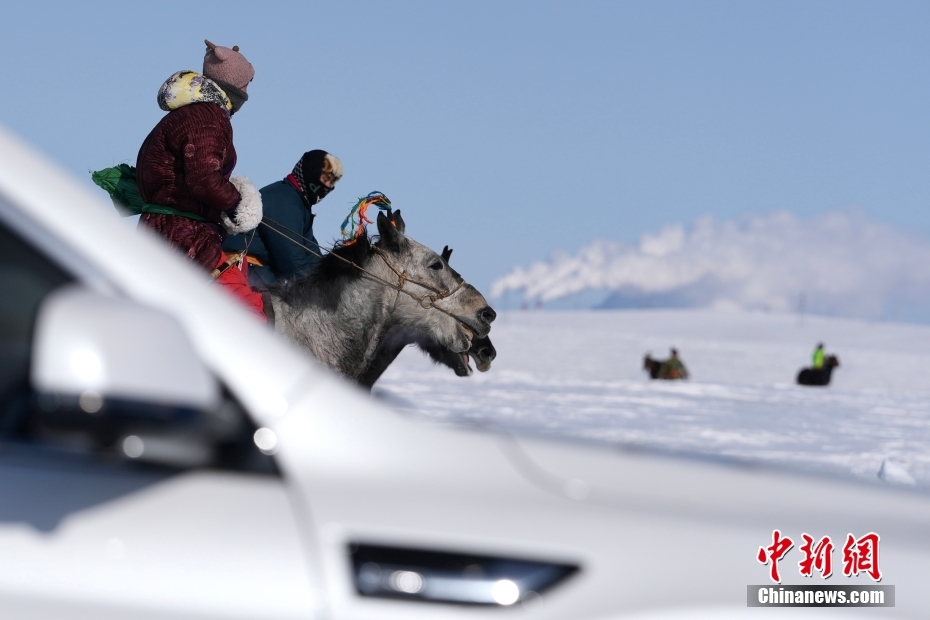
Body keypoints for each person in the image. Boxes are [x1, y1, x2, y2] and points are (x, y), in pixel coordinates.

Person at [135, 40, 265, 319]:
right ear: (232, 85)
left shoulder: (193, 113)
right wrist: (239, 205)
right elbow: (204, 180)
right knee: (248, 312)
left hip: (169, 232)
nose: (246, 93)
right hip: (182, 237)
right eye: (245, 85)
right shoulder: (207, 117)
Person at [224, 150, 343, 288]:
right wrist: (320, 290)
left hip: (261, 274)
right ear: (312, 172)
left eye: (332, 182)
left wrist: (333, 280)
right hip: (242, 271)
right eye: (325, 178)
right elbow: (291, 260)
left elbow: (311, 253)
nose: (327, 186)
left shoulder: (299, 204)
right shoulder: (284, 199)